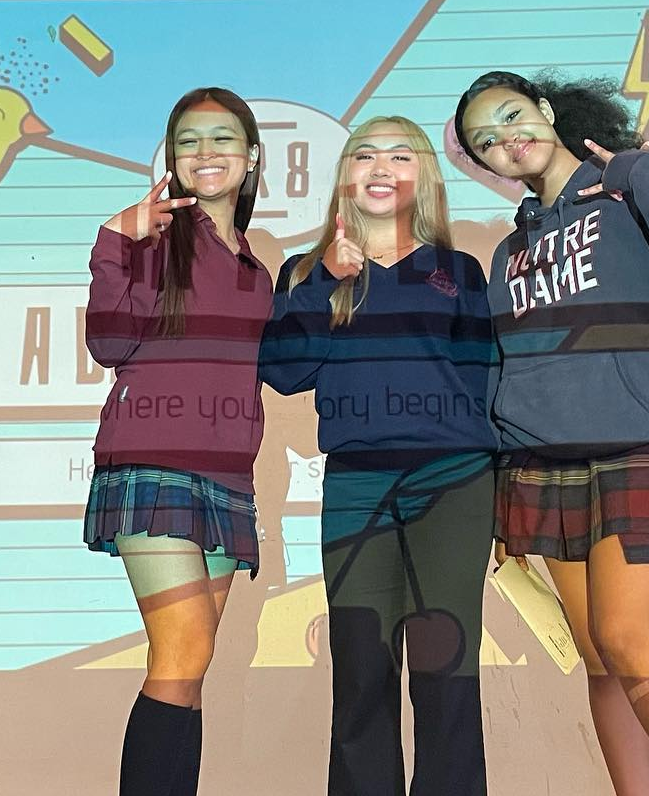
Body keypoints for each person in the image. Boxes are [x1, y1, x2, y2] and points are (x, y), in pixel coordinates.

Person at [453, 70, 649, 796]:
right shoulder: (506, 252)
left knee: (631, 642)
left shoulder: (631, 196)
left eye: (512, 116)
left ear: (547, 110)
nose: (505, 140)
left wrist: (640, 169)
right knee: (600, 659)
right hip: (538, 464)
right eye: (486, 140)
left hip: (639, 449)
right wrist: (492, 479)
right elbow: (499, 366)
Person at [256, 116, 498, 796]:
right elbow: (282, 371)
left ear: (424, 175)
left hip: (455, 486)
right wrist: (323, 281)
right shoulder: (303, 272)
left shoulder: (461, 271)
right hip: (357, 489)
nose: (381, 165)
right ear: (345, 175)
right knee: (361, 671)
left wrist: (502, 497)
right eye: (365, 154)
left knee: (445, 669)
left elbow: (486, 384)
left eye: (400, 154)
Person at [81, 87, 275, 796]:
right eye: (189, 140)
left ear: (251, 157)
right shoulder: (151, 239)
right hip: (152, 463)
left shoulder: (256, 269)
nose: (205, 152)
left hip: (228, 477)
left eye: (222, 138)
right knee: (183, 652)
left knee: (192, 669)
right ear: (171, 159)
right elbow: (108, 342)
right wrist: (113, 242)